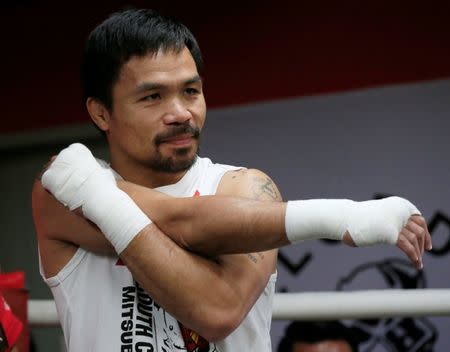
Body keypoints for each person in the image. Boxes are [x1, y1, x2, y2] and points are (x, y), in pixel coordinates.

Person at [32, 8, 431, 352]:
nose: (180, 113)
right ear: (101, 113)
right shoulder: (57, 195)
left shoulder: (242, 187)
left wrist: (101, 199)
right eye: (152, 97)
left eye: (191, 91)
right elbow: (182, 221)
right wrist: (339, 217)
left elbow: (217, 310)